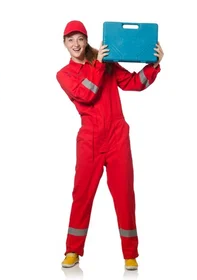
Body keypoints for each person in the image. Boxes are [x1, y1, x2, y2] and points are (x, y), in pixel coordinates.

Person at [56, 20, 163, 270]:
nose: (75, 44)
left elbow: (134, 84)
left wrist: (154, 64)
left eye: (79, 39)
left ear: (87, 40)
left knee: (125, 195)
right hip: (89, 140)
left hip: (117, 136)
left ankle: (130, 254)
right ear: (64, 44)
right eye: (70, 40)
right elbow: (87, 94)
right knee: (81, 196)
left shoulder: (107, 63)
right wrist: (99, 65)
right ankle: (73, 251)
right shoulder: (65, 74)